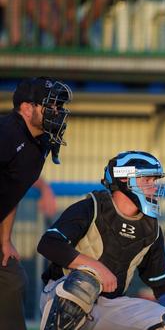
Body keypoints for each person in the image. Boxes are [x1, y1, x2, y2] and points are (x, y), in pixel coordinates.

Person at [36, 151, 165, 330]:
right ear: (125, 180)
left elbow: (163, 285)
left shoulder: (151, 228)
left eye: (155, 181)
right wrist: (97, 268)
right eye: (147, 180)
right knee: (83, 284)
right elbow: (48, 244)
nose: (154, 187)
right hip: (63, 294)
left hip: (110, 305)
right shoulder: (92, 207)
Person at [0, 77, 72, 330]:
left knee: (12, 279)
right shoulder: (7, 132)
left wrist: (5, 240)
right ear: (27, 108)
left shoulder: (38, 144)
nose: (58, 112)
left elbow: (11, 191)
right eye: (50, 106)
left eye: (59, 107)